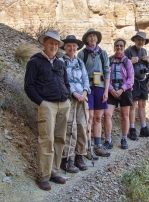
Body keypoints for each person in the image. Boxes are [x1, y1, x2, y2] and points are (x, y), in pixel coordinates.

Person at [24, 30, 71, 191]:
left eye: (56, 44)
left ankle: (54, 172)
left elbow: (66, 82)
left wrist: (68, 98)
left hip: (63, 104)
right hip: (47, 105)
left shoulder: (60, 63)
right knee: (47, 140)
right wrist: (41, 103)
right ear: (44, 43)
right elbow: (28, 86)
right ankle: (43, 176)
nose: (54, 46)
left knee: (60, 139)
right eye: (51, 43)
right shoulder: (35, 62)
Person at [59, 35, 90, 173]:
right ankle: (67, 158)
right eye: (69, 46)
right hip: (69, 98)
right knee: (70, 127)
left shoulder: (80, 62)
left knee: (82, 126)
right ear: (65, 47)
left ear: (77, 48)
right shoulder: (60, 62)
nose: (71, 48)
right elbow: (63, 80)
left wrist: (84, 92)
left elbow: (85, 79)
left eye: (74, 46)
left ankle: (80, 156)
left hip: (82, 99)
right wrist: (74, 93)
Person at [77, 28, 110, 157]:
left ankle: (98, 146)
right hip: (88, 88)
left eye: (94, 36)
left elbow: (107, 72)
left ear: (97, 39)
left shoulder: (103, 54)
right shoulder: (82, 54)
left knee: (98, 117)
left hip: (101, 87)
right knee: (89, 118)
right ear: (86, 39)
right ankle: (87, 147)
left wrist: (106, 90)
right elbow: (80, 72)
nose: (92, 38)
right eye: (90, 36)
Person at [124, 31, 149, 140]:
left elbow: (146, 66)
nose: (140, 41)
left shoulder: (144, 50)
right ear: (135, 40)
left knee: (142, 105)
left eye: (142, 40)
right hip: (132, 82)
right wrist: (130, 61)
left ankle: (143, 128)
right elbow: (121, 64)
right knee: (133, 106)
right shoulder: (128, 50)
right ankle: (132, 129)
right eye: (138, 39)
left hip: (142, 80)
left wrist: (148, 61)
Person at [103, 38, 134, 149]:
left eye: (121, 45)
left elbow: (131, 79)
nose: (119, 47)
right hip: (111, 91)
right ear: (114, 46)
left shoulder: (128, 62)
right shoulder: (109, 60)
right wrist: (111, 89)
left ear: (124, 47)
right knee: (107, 115)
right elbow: (105, 76)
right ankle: (108, 140)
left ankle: (124, 138)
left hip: (124, 91)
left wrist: (121, 89)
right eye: (117, 45)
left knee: (125, 115)